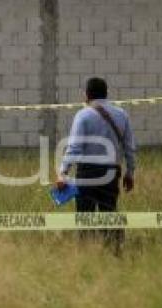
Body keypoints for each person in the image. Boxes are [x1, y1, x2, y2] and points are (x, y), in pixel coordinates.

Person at [56, 77, 136, 252]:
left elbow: (74, 147)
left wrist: (63, 172)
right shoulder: (121, 114)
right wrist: (130, 173)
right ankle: (114, 252)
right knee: (109, 211)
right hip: (111, 171)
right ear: (106, 93)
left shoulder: (83, 115)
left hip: (87, 173)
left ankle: (86, 252)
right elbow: (129, 147)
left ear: (87, 94)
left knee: (85, 215)